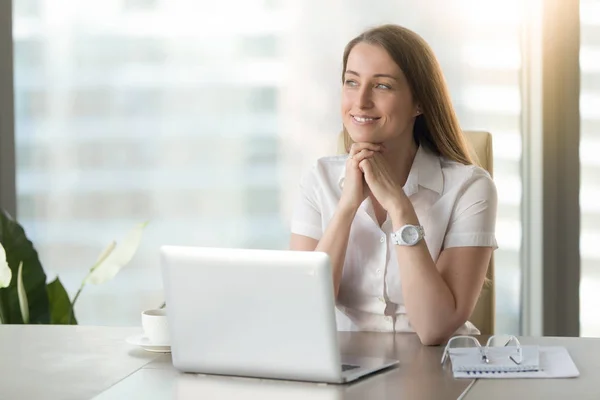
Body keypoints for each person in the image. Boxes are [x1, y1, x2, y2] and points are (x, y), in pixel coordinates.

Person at [289, 24, 498, 345]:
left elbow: (434, 328)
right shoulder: (318, 179)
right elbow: (300, 313)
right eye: (351, 82)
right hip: (347, 369)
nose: (360, 101)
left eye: (382, 86)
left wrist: (400, 208)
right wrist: (346, 208)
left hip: (437, 369)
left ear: (419, 103)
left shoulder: (470, 188)